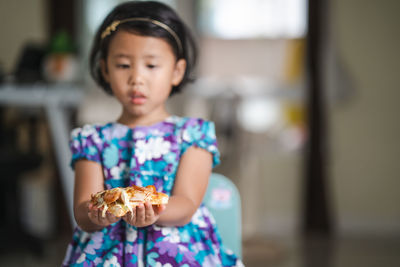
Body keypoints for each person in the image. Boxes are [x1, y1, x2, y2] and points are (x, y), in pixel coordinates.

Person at [62, 1, 243, 266]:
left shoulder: (193, 134)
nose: (137, 78)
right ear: (105, 69)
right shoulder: (92, 140)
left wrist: (152, 211)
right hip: (107, 255)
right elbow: (82, 210)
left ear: (177, 71)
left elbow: (186, 204)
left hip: (176, 252)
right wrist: (97, 216)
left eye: (151, 66)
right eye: (123, 65)